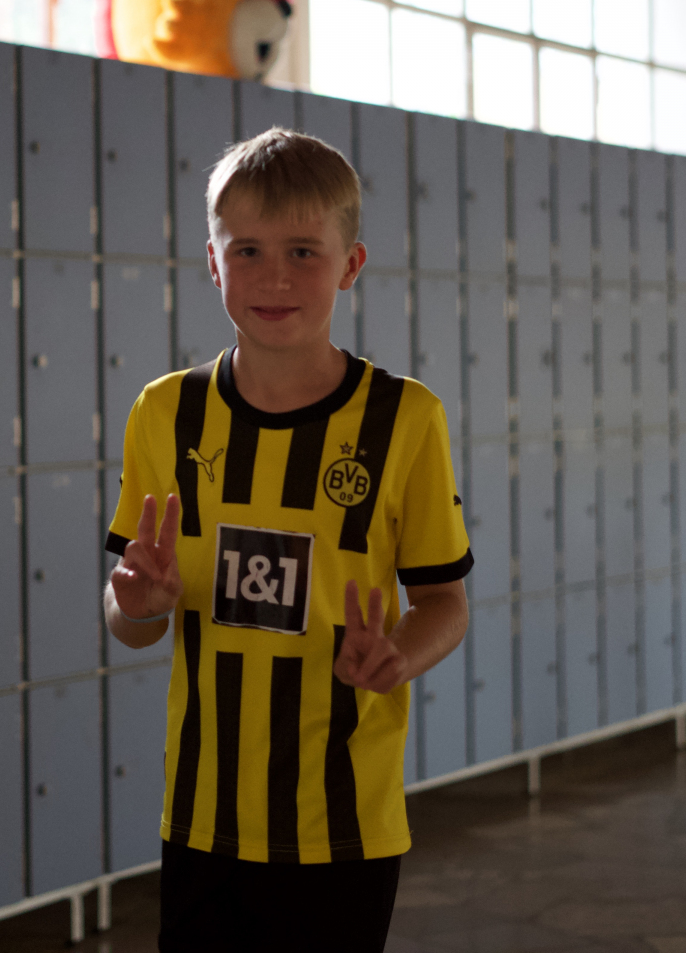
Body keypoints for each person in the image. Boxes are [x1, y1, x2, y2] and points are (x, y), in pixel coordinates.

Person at [103, 128, 472, 953]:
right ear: (213, 262)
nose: (275, 277)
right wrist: (136, 604)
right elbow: (131, 618)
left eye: (304, 252)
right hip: (203, 814)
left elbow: (444, 600)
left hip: (344, 818)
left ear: (350, 264)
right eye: (249, 251)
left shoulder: (405, 418)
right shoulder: (164, 413)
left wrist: (400, 656)